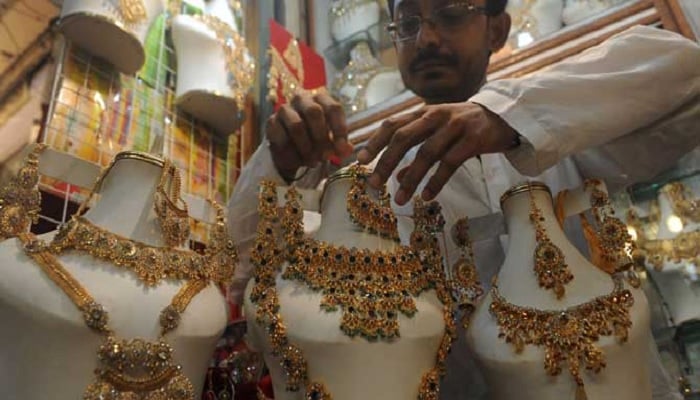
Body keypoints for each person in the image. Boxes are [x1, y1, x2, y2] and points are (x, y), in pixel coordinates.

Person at [228, 0, 700, 398]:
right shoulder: (374, 182)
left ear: (497, 28)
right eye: (408, 22)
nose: (427, 38)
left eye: (451, 13)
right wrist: (280, 161)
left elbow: (687, 73)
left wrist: (503, 116)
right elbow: (244, 269)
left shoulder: (555, 125)